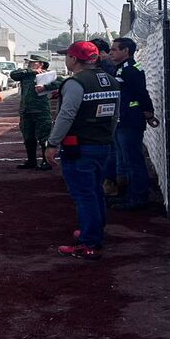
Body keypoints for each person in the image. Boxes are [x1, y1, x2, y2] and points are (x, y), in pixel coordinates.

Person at [42, 41, 120, 261]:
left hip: (79, 146)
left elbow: (66, 115)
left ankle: (89, 242)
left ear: (74, 59)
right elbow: (115, 115)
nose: (67, 59)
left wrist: (52, 143)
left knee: (84, 194)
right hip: (102, 144)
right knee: (95, 191)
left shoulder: (76, 83)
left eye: (68, 55)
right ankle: (94, 231)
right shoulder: (111, 81)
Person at [105, 37, 160, 210]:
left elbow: (141, 92)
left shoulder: (130, 70)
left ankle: (139, 198)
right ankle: (129, 195)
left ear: (125, 51)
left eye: (114, 49)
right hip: (121, 120)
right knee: (124, 160)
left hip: (130, 121)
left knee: (132, 160)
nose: (111, 52)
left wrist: (148, 112)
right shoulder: (120, 69)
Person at [8, 55, 54, 171]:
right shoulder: (26, 74)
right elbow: (13, 75)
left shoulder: (47, 75)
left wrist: (45, 86)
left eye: (33, 62)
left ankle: (46, 160)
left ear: (41, 64)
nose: (30, 64)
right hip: (26, 111)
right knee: (28, 137)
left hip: (41, 110)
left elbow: (58, 83)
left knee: (44, 137)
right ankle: (31, 160)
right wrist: (30, 71)